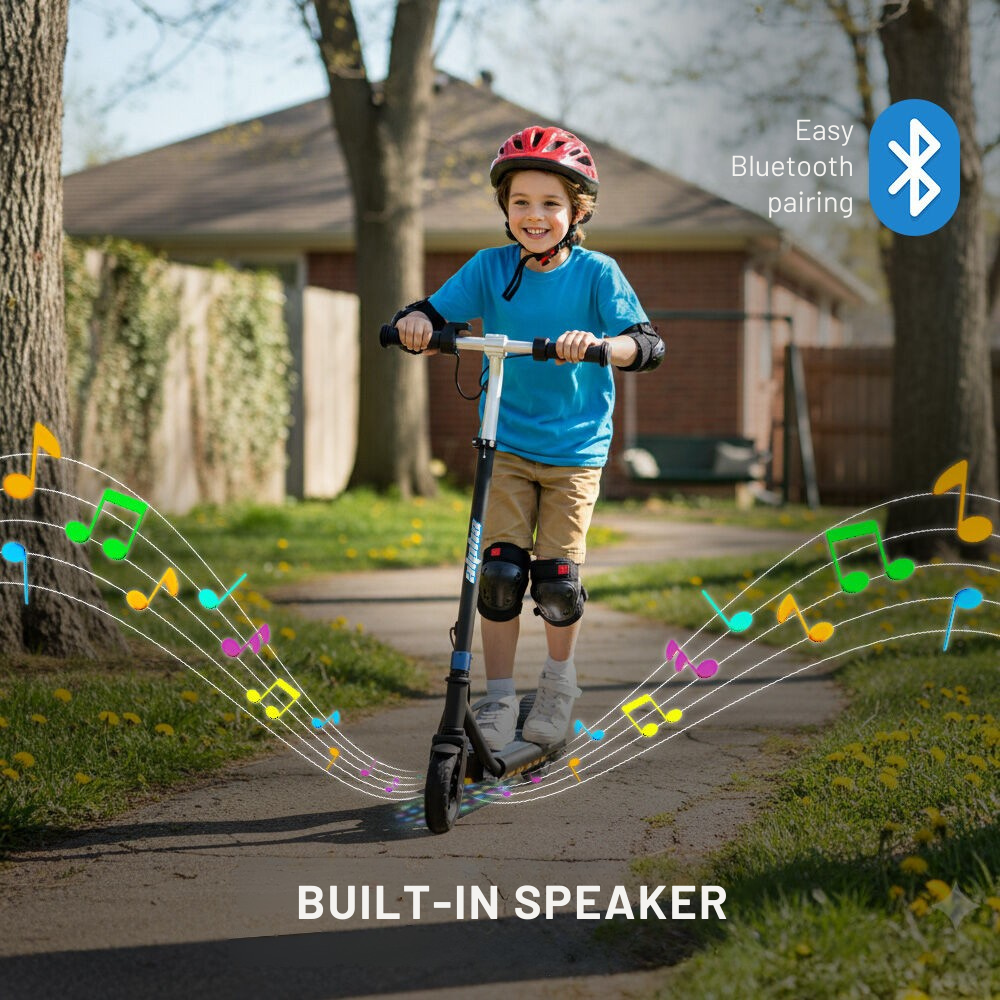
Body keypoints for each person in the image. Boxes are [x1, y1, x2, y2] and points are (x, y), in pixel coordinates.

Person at [392, 125, 664, 751]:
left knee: (556, 581)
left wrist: (599, 346)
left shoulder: (599, 274)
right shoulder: (489, 268)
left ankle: (559, 685)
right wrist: (414, 322)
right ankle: (496, 698)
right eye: (521, 202)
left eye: (550, 204)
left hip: (574, 451)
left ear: (577, 212)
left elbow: (644, 343)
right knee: (500, 575)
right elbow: (434, 311)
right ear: (505, 209)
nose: (534, 216)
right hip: (506, 443)